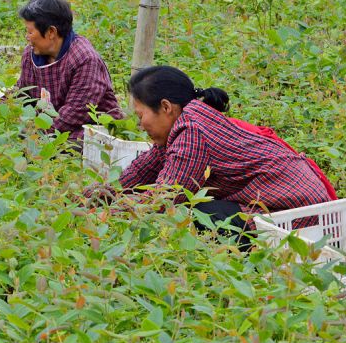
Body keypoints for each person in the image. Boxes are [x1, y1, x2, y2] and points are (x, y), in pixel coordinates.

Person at [118, 65, 335, 235]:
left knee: (191, 213)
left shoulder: (193, 131)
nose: (139, 124)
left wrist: (110, 213)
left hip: (296, 215)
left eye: (140, 115)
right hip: (290, 204)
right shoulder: (184, 122)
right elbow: (140, 171)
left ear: (166, 107)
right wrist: (96, 197)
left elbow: (165, 198)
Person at [15, 0, 123, 141]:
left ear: (51, 32)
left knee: (73, 146)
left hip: (87, 127)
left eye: (30, 32)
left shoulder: (84, 59)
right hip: (48, 127)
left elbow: (75, 113)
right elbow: (22, 92)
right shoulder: (31, 54)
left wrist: (35, 136)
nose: (27, 37)